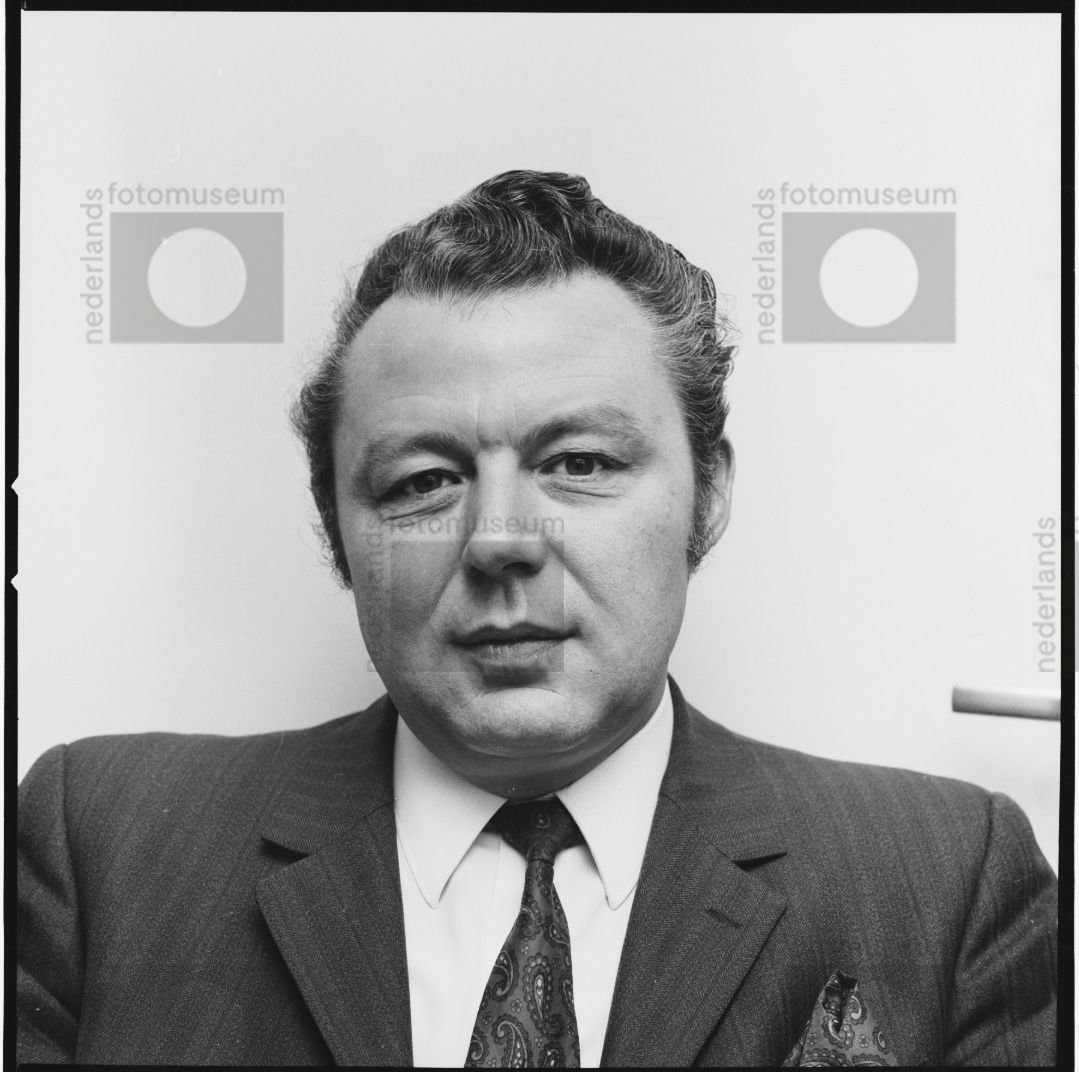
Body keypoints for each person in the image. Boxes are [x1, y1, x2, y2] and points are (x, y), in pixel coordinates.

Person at [18, 171, 1056, 1067]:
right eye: (422, 481)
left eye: (579, 462)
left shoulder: (943, 877)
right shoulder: (106, 845)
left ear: (707, 495)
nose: (500, 540)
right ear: (337, 530)